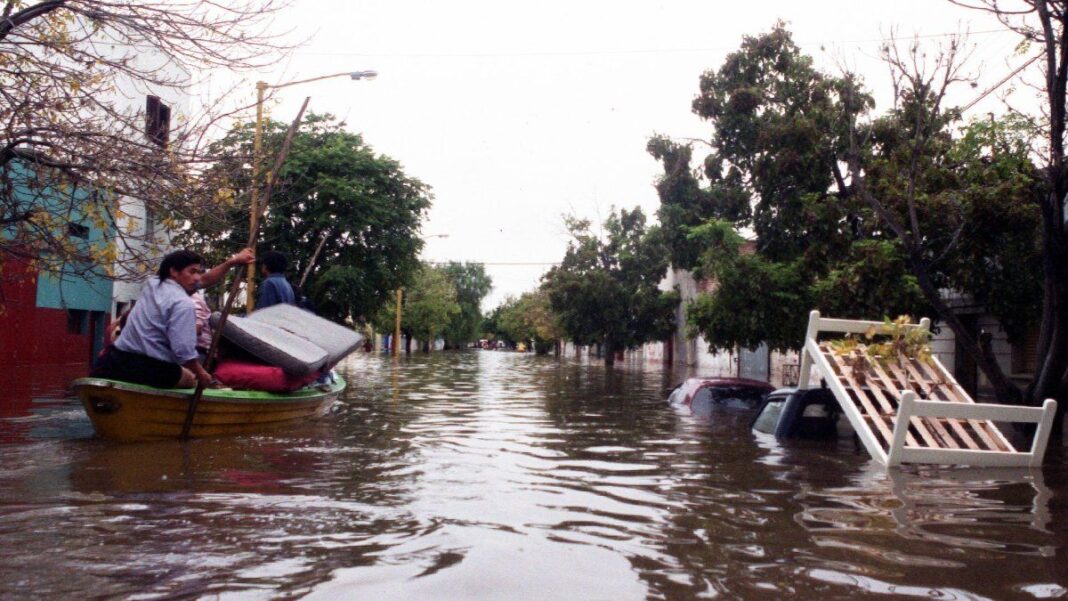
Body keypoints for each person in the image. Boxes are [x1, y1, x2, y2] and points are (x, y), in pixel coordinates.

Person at [92, 248, 255, 388]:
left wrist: (231, 262)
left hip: (110, 361)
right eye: (192, 272)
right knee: (190, 378)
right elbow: (184, 353)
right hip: (146, 367)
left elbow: (205, 280)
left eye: (198, 272)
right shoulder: (183, 304)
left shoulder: (153, 283)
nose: (197, 277)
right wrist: (203, 376)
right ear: (174, 272)